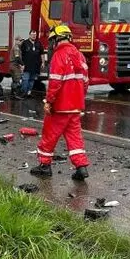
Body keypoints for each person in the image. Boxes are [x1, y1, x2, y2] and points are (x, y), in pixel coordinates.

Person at [30, 25, 90, 180]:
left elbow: (55, 82)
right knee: (74, 137)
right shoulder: (80, 56)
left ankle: (44, 166)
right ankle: (81, 167)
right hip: (75, 107)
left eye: (52, 41)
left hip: (60, 107)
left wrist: (49, 102)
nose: (51, 45)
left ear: (57, 39)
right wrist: (79, 99)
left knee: (49, 135)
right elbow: (85, 82)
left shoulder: (59, 55)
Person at [17, 29, 45, 98]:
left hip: (35, 66)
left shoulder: (38, 43)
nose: (34, 36)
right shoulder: (25, 43)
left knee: (32, 80)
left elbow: (42, 54)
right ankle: (23, 93)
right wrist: (21, 64)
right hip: (26, 66)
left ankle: (29, 93)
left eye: (35, 35)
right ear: (29, 35)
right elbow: (20, 53)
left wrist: (43, 62)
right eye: (32, 34)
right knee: (25, 80)